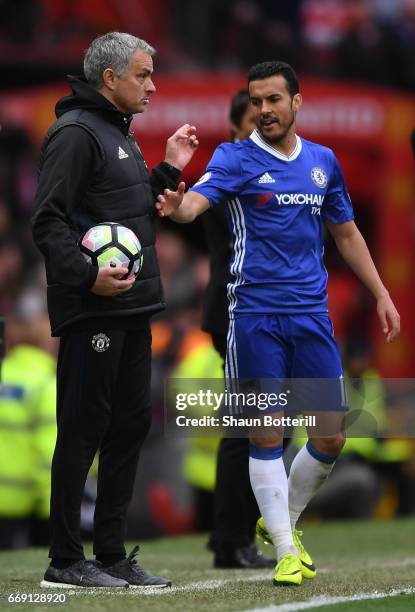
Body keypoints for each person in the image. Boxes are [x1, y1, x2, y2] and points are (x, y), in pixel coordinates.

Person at [155, 60, 400, 587]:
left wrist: (380, 292)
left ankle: (278, 522)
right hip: (255, 317)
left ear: (296, 102)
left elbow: (347, 234)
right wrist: (177, 206)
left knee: (330, 437)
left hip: (312, 317)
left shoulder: (323, 162)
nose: (264, 110)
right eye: (256, 100)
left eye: (273, 100)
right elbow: (195, 205)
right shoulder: (235, 157)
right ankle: (287, 549)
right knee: (265, 436)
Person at [31, 32, 198, 589]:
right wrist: (87, 278)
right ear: (110, 79)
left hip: (131, 309)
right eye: (143, 75)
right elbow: (47, 223)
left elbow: (126, 219)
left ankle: (109, 554)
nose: (152, 85)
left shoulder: (115, 133)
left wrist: (171, 171)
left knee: (127, 428)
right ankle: (63, 559)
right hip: (92, 311)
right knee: (83, 429)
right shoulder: (76, 135)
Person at [202, 90, 273, 568]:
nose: (263, 124)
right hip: (236, 311)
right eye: (253, 119)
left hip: (261, 313)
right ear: (232, 130)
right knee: (248, 429)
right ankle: (232, 539)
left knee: (264, 426)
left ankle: (232, 536)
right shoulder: (229, 172)